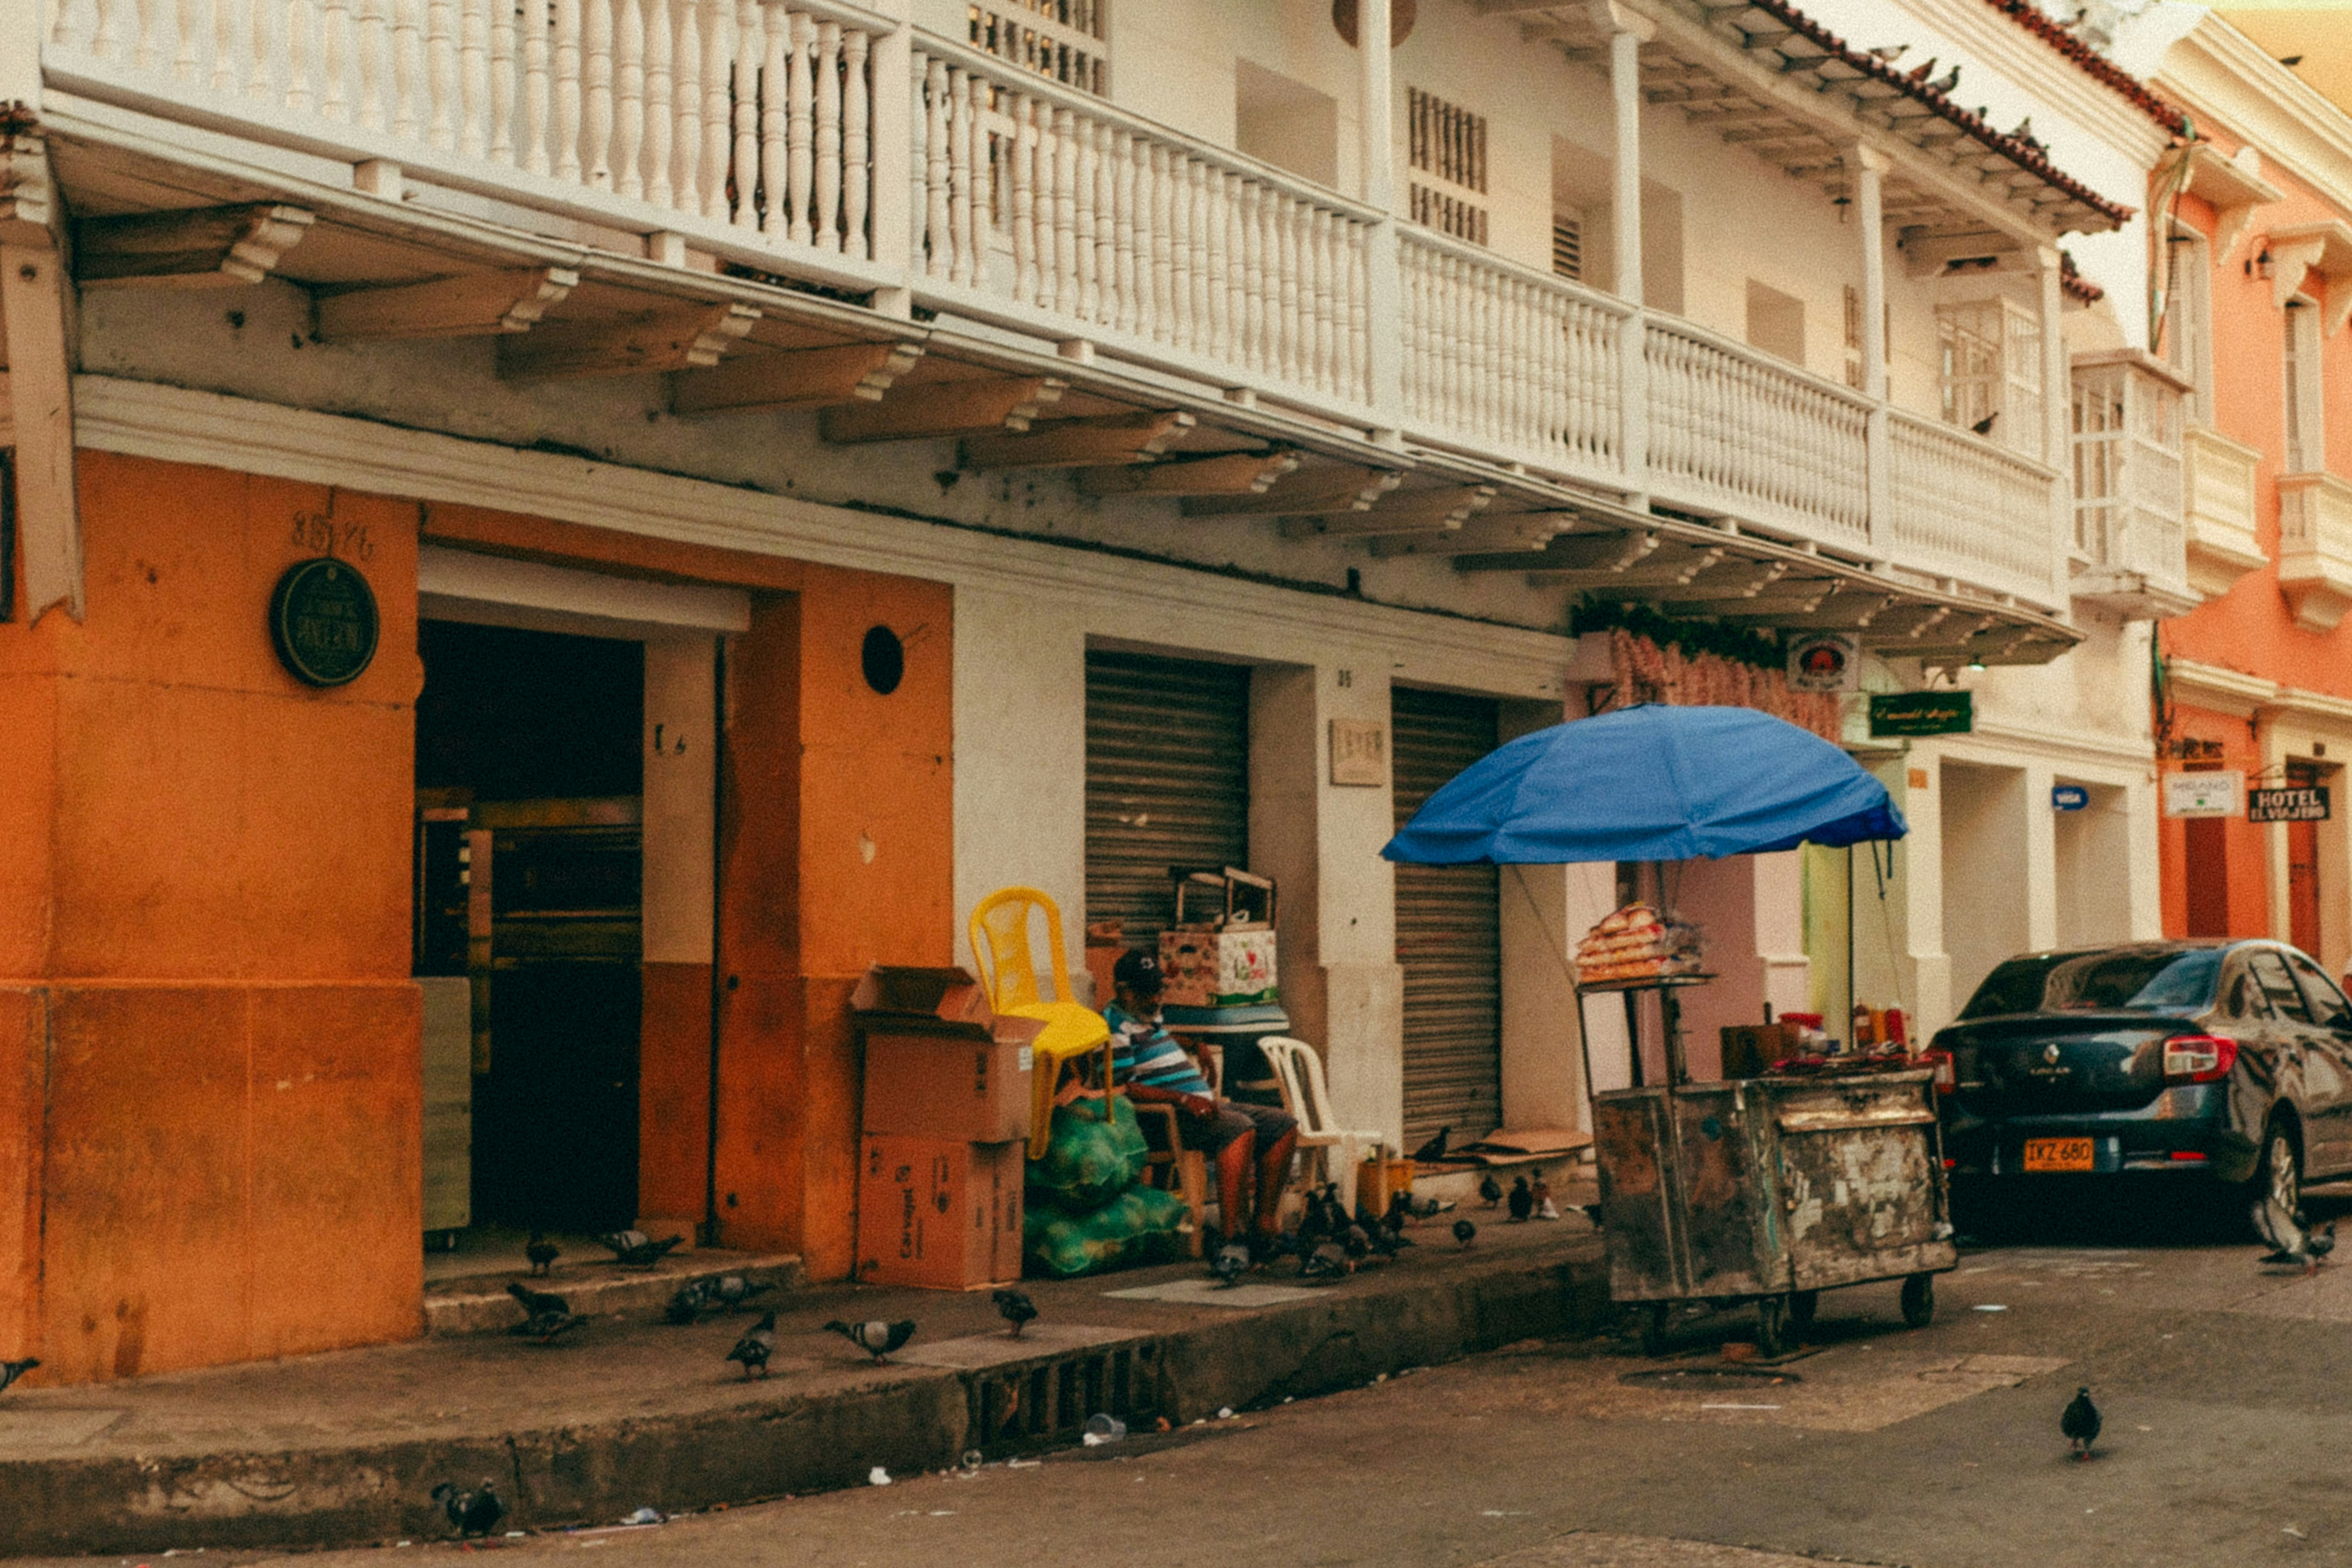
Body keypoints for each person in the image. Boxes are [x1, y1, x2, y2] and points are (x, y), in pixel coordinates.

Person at [1104, 950, 1298, 1250]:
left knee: (1282, 1124)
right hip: (1164, 1119)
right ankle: (1231, 1237)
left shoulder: (1146, 1016)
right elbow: (1123, 1087)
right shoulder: (1115, 1026)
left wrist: (1196, 1045)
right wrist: (1182, 1099)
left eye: (1158, 991)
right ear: (1124, 992)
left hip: (1198, 1108)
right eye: (1146, 993)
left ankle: (1264, 1224)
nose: (1155, 999)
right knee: (1239, 1128)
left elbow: (1159, 1039)